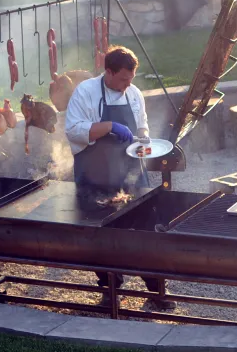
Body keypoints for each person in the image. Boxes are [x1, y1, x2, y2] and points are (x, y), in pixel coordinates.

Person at [65, 46, 175, 311]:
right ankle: (110, 290)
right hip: (95, 177)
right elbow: (73, 130)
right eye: (124, 78)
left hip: (131, 174)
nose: (129, 84)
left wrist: (144, 135)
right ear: (109, 72)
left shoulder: (134, 93)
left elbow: (142, 123)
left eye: (132, 78)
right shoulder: (86, 92)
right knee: (101, 236)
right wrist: (110, 126)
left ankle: (157, 290)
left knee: (147, 232)